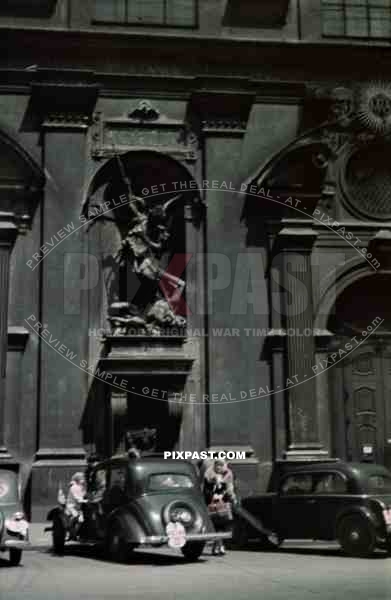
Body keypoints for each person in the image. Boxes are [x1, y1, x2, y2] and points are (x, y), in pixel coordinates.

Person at [203, 460, 237, 556]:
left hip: (224, 505)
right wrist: (213, 493)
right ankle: (219, 546)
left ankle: (218, 546)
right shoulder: (208, 475)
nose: (219, 467)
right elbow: (205, 491)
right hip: (212, 505)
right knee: (216, 526)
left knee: (224, 526)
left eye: (221, 465)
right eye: (217, 465)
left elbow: (231, 490)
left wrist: (230, 497)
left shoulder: (229, 475)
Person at [65, 472, 87, 538]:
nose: (83, 480)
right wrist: (86, 501)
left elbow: (84, 495)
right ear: (78, 480)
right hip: (71, 506)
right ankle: (68, 528)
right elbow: (77, 498)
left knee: (81, 520)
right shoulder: (74, 487)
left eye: (83, 478)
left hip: (78, 507)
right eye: (81, 478)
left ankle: (73, 534)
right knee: (75, 516)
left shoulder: (83, 488)